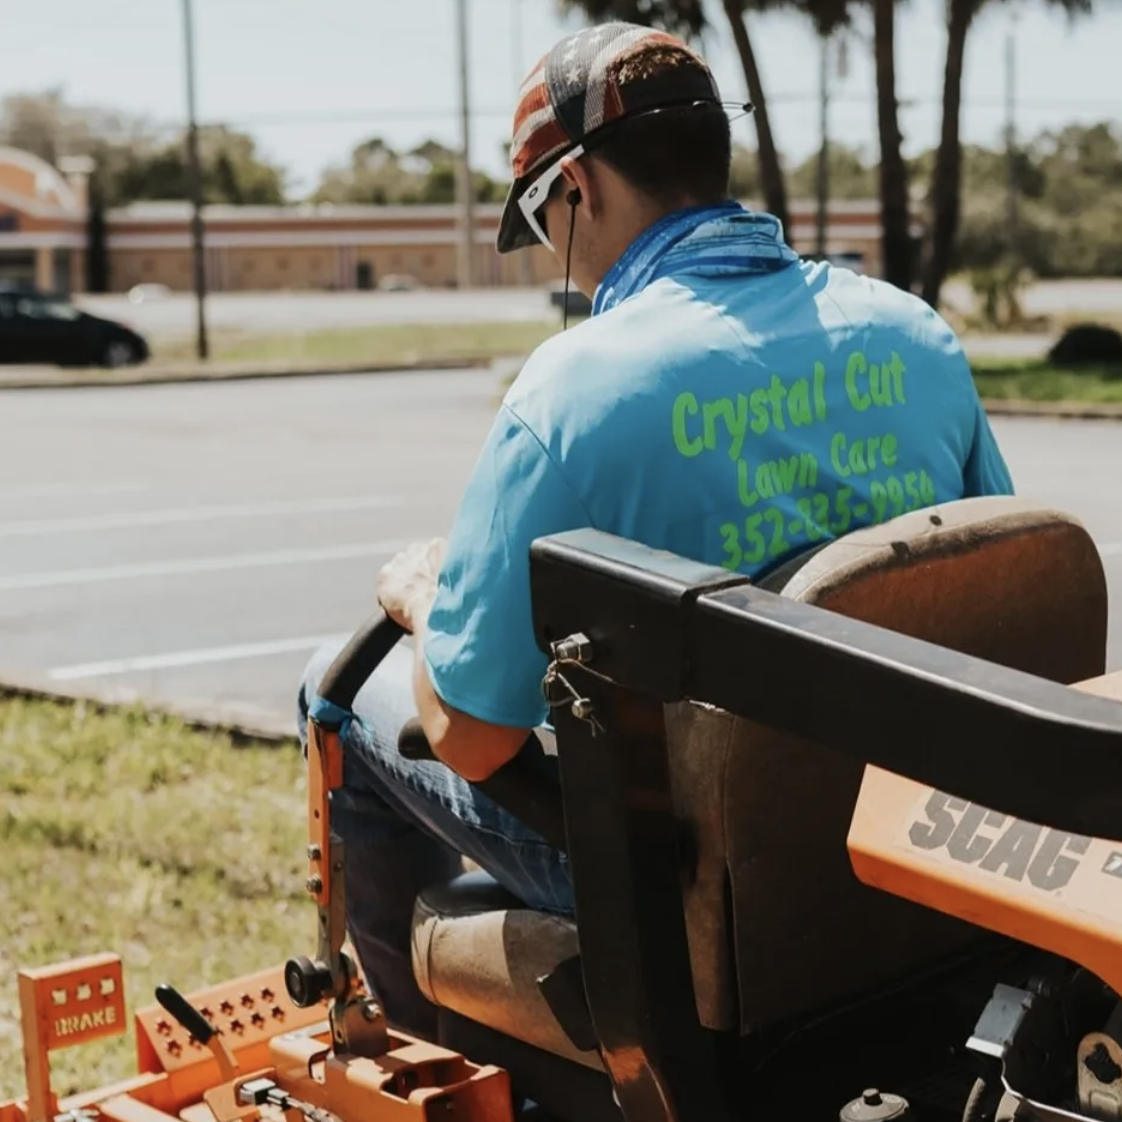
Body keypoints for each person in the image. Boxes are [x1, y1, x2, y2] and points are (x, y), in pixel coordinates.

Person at [297, 21, 1014, 1037]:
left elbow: (469, 732)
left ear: (578, 185)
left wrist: (425, 604)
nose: (556, 253)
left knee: (336, 688)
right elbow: (992, 582)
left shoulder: (574, 391)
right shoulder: (911, 333)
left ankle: (448, 1058)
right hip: (919, 838)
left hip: (704, 880)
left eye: (543, 217)